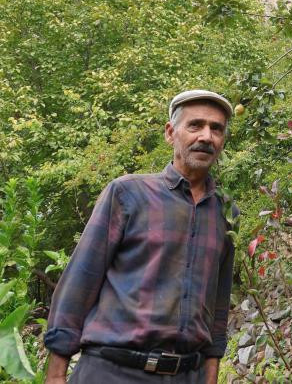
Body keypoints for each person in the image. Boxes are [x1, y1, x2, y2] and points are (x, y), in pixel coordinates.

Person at [43, 90, 237, 383]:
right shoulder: (127, 194)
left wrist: (210, 377)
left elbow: (218, 305)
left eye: (216, 129)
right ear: (171, 133)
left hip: (187, 375)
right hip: (111, 371)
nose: (206, 136)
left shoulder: (225, 212)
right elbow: (80, 282)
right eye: (195, 125)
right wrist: (56, 375)